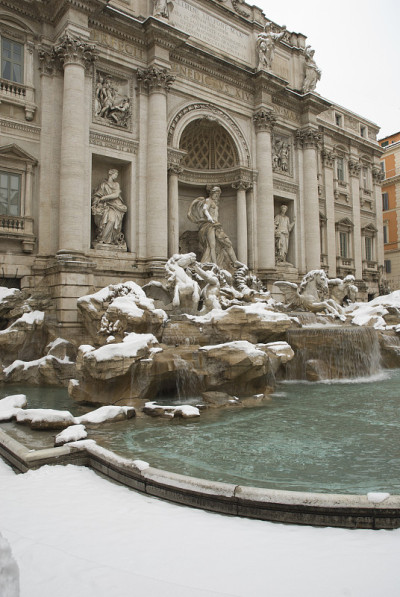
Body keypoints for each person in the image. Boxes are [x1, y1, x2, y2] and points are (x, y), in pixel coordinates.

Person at [188, 186, 239, 270]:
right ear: (212, 193)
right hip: (209, 225)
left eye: (218, 194)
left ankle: (235, 261)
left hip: (216, 225)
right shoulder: (208, 200)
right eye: (216, 194)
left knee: (227, 242)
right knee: (212, 245)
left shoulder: (215, 203)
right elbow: (204, 209)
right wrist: (209, 217)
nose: (217, 196)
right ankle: (215, 265)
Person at [91, 169, 127, 247]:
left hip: (116, 205)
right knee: (108, 221)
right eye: (115, 175)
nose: (116, 176)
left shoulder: (116, 184)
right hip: (106, 206)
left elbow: (116, 195)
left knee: (112, 220)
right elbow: (97, 195)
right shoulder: (103, 185)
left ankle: (107, 239)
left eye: (117, 175)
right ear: (111, 174)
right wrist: (97, 202)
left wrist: (104, 197)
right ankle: (103, 239)